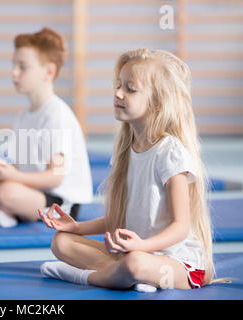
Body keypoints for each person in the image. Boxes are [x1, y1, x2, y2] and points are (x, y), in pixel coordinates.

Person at [39, 48, 216, 292]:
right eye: (118, 85)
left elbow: (180, 226)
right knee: (61, 242)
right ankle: (124, 276)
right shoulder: (126, 151)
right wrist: (76, 227)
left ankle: (86, 277)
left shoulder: (169, 152)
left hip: (180, 264)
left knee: (135, 263)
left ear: (156, 104)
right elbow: (119, 218)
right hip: (137, 254)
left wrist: (142, 245)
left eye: (130, 89)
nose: (118, 93)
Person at [0, 27, 93, 228]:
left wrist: (13, 177)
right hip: (26, 189)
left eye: (22, 66)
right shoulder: (23, 116)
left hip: (60, 202)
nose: (14, 72)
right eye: (14, 65)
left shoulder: (57, 115)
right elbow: (16, 170)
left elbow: (55, 177)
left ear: (49, 71)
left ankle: (7, 208)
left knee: (6, 192)